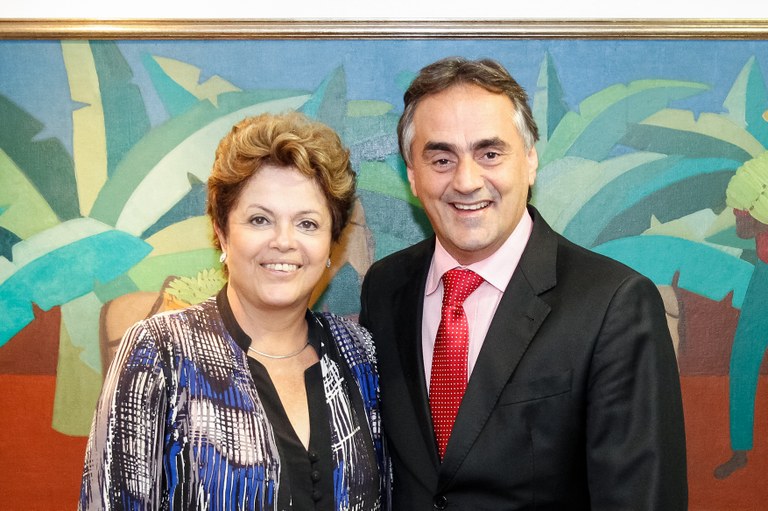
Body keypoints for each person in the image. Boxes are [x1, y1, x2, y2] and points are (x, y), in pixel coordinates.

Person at [359, 56, 687, 510]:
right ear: (412, 175)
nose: (466, 181)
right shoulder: (385, 287)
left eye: (490, 154)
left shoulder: (615, 304)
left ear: (530, 162)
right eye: (441, 158)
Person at [80, 112, 388, 510]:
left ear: (331, 243)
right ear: (221, 231)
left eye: (307, 223)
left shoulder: (360, 354)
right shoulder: (160, 351)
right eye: (260, 219)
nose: (284, 241)